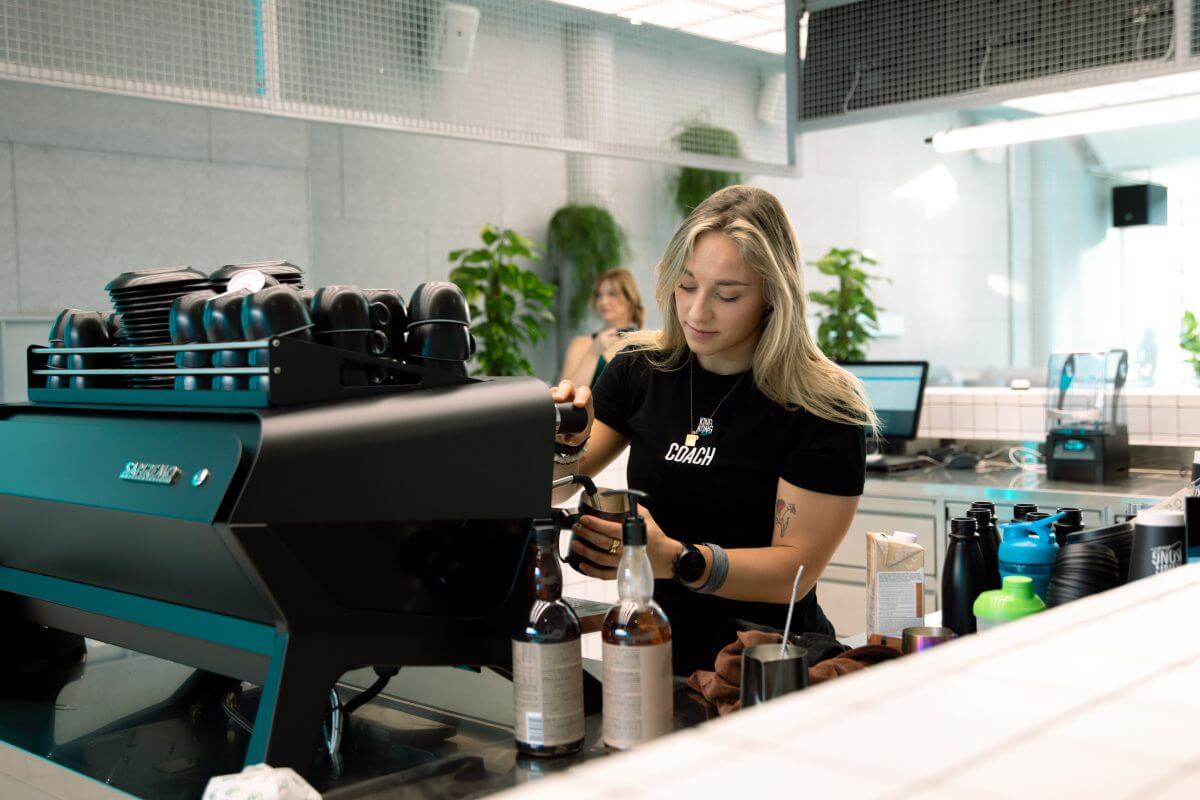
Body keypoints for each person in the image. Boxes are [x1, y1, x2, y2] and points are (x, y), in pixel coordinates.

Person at [550, 186, 875, 676]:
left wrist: (676, 559)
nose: (697, 312)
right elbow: (554, 484)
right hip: (657, 656)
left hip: (765, 665)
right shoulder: (641, 368)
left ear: (772, 294)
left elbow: (795, 572)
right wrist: (561, 441)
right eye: (686, 285)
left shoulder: (822, 404)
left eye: (727, 294)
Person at [559, 268, 645, 389]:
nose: (603, 302)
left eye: (612, 294)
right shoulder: (581, 344)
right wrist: (593, 353)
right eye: (599, 295)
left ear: (629, 298)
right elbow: (566, 397)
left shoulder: (645, 344)